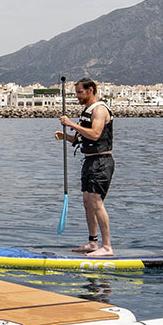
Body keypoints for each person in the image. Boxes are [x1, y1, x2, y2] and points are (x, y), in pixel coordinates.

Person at [55, 78, 115, 257]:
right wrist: (66, 136)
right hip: (89, 161)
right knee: (88, 203)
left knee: (97, 202)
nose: (77, 96)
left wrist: (71, 123)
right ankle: (92, 242)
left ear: (90, 90)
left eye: (80, 92)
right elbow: (83, 137)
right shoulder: (87, 111)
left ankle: (107, 246)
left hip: (102, 162)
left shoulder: (100, 109)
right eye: (76, 93)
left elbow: (96, 134)